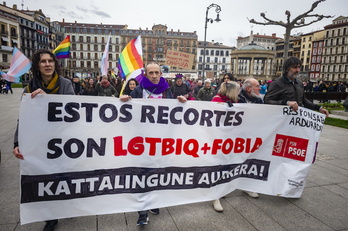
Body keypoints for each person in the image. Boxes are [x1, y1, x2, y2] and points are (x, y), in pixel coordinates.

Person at [13, 49, 74, 231]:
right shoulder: (29, 88)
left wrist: (49, 101)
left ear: (55, 64)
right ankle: (50, 217)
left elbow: (72, 110)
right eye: (43, 62)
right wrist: (17, 143)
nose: (47, 64)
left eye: (50, 61)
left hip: (62, 139)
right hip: (41, 141)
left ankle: (68, 201)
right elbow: (23, 118)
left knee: (63, 174)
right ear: (37, 66)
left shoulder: (65, 84)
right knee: (46, 177)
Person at [120, 62, 187, 226]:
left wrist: (181, 102)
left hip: (160, 141)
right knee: (142, 174)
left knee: (157, 173)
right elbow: (127, 111)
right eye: (151, 73)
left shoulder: (166, 90)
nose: (155, 76)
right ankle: (142, 212)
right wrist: (122, 101)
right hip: (141, 141)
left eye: (157, 72)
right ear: (146, 74)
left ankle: (153, 202)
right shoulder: (138, 90)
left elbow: (173, 112)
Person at [264, 56, 329, 117]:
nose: (297, 70)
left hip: (297, 120)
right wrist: (286, 103)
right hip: (282, 120)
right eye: (294, 67)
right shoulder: (276, 83)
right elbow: (267, 100)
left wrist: (319, 108)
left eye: (299, 67)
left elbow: (303, 101)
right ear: (287, 69)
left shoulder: (299, 83)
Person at [210, 80, 240, 212]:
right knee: (217, 166)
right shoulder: (216, 100)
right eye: (237, 90)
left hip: (231, 138)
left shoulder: (237, 102)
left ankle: (222, 188)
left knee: (227, 164)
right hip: (218, 138)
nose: (239, 93)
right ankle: (215, 196)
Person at [238, 78, 263, 198]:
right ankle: (224, 186)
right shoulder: (236, 98)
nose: (260, 88)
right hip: (237, 136)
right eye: (257, 86)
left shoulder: (259, 101)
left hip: (252, 136)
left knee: (250, 160)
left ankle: (246, 186)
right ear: (248, 89)